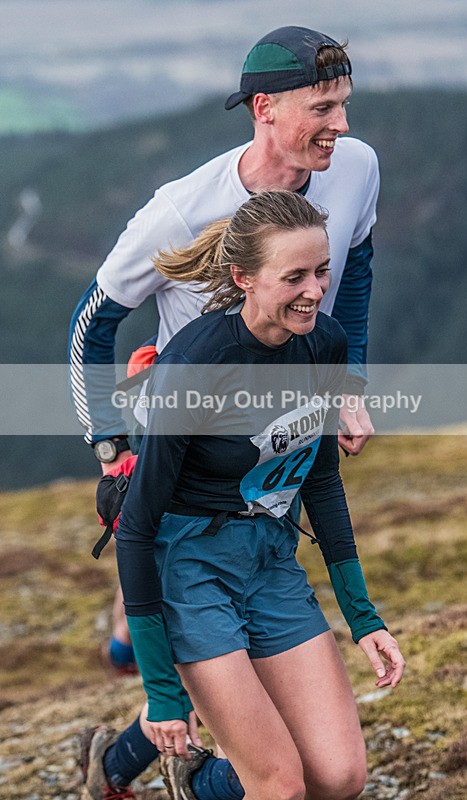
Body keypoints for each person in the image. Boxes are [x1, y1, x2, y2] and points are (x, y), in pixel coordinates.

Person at [81, 191, 404, 800]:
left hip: (270, 561)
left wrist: (363, 617)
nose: (314, 291)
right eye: (294, 277)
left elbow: (321, 481)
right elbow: (138, 528)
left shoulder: (324, 343)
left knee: (338, 778)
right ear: (243, 278)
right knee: (280, 787)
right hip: (190, 571)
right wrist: (162, 692)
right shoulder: (196, 366)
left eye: (321, 271)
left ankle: (194, 781)